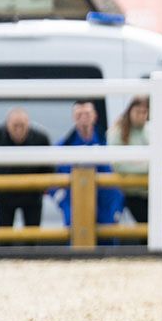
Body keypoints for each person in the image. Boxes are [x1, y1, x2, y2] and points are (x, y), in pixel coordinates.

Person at [54, 99, 124, 232]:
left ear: (95, 116)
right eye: (79, 114)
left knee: (109, 250)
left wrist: (117, 207)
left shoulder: (109, 144)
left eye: (87, 113)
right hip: (75, 210)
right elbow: (53, 181)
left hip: (106, 210)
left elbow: (120, 174)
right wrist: (63, 203)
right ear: (73, 117)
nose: (83, 118)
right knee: (78, 251)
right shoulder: (63, 147)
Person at [0, 107, 52, 230]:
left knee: (32, 237)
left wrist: (42, 188)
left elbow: (48, 167)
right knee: (4, 237)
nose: (19, 129)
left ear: (28, 124)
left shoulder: (41, 139)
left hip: (32, 194)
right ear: (7, 124)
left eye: (22, 125)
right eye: (15, 125)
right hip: (3, 194)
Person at [107, 97, 154, 224]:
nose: (141, 116)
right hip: (129, 192)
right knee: (145, 228)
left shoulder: (151, 130)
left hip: (151, 192)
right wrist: (148, 167)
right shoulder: (117, 132)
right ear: (130, 111)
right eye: (138, 111)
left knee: (150, 230)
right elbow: (118, 165)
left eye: (144, 112)